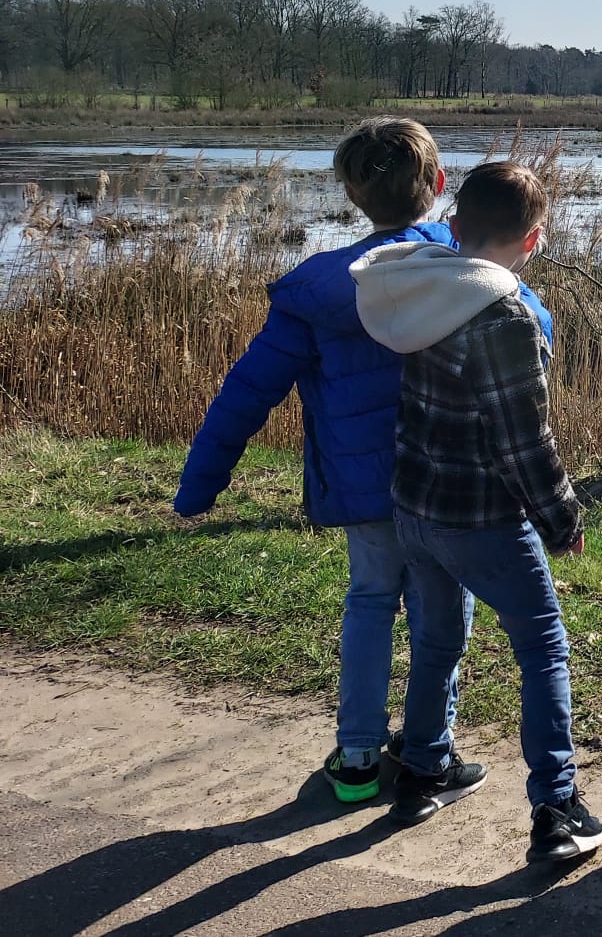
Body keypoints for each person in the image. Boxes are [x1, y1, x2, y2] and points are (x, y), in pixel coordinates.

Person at [173, 117, 547, 804]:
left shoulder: (317, 290)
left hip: (364, 487)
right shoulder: (465, 267)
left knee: (371, 602)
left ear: (352, 193)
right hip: (444, 487)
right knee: (443, 618)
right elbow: (536, 331)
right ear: (438, 187)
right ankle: (430, 748)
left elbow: (246, 392)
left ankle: (355, 756)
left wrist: (200, 485)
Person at [351, 160, 602, 865]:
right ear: (534, 241)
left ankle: (426, 769)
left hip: (415, 509)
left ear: (453, 227)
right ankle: (557, 807)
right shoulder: (506, 315)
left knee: (435, 641)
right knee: (543, 646)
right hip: (484, 518)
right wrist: (563, 520)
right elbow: (523, 442)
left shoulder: (421, 288)